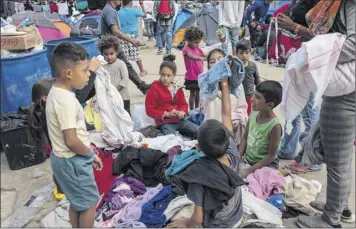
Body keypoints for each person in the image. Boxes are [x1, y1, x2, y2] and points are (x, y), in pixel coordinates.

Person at [296, 0, 356, 227]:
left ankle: (331, 220)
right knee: (341, 155)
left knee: (337, 158)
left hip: (346, 91)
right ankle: (341, 208)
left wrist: (318, 55)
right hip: (345, 87)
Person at [167, 78, 244, 228]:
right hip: (237, 215)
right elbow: (226, 113)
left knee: (172, 219)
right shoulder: (232, 150)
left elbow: (197, 219)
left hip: (219, 224)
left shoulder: (199, 175)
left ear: (198, 148)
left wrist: (186, 223)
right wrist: (224, 83)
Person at [46, 42, 103, 228]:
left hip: (63, 159)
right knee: (89, 203)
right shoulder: (66, 100)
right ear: (68, 73)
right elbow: (71, 140)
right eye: (86, 70)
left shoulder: (56, 92)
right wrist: (90, 154)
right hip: (73, 161)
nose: (89, 74)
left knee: (77, 202)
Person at [101, 0, 150, 95]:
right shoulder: (109, 11)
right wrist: (132, 40)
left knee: (125, 66)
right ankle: (141, 86)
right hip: (110, 47)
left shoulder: (112, 10)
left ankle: (142, 86)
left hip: (113, 45)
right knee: (123, 66)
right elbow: (115, 30)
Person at [202, 48, 248, 147]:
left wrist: (234, 118)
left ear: (228, 63)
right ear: (209, 67)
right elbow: (205, 113)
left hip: (231, 134)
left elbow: (242, 109)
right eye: (212, 62)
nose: (217, 63)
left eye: (220, 59)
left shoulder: (237, 86)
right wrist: (217, 93)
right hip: (211, 136)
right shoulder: (206, 87)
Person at [145, 54, 199, 138]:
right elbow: (149, 109)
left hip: (179, 120)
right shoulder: (154, 88)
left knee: (199, 131)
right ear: (159, 73)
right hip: (165, 122)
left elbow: (183, 104)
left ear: (174, 75)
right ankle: (153, 132)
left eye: (168, 75)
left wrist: (182, 112)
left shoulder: (177, 87)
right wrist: (166, 114)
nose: (165, 78)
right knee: (170, 139)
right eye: (163, 75)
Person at [239, 80, 282, 178]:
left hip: (266, 164)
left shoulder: (275, 126)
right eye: (254, 95)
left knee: (262, 181)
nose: (252, 99)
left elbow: (271, 156)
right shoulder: (254, 113)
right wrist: (238, 156)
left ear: (270, 105)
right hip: (248, 160)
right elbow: (245, 138)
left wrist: (249, 170)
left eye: (258, 97)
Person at [98, 35, 131, 115]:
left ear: (116, 52)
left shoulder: (121, 64)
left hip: (123, 97)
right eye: (106, 54)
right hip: (110, 99)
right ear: (102, 54)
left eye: (111, 54)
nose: (109, 57)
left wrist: (114, 91)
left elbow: (125, 79)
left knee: (125, 116)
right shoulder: (102, 67)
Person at [118, 0, 148, 77]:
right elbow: (145, 14)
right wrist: (142, 4)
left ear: (122, 3)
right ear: (130, 3)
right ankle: (142, 71)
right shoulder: (134, 11)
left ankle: (125, 74)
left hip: (122, 37)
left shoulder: (118, 12)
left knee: (125, 57)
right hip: (133, 37)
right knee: (136, 55)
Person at [235, 40, 260, 115]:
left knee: (248, 114)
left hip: (249, 95)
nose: (244, 55)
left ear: (250, 53)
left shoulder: (253, 66)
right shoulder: (234, 66)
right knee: (238, 113)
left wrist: (260, 91)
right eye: (241, 53)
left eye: (246, 53)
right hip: (237, 96)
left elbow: (257, 80)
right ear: (236, 54)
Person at [182, 26, 205, 111]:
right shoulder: (186, 49)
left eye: (198, 42)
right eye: (196, 42)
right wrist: (200, 58)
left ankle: (197, 108)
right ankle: (191, 110)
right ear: (189, 41)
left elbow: (204, 54)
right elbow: (191, 57)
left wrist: (212, 55)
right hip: (191, 77)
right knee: (192, 94)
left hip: (199, 76)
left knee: (198, 93)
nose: (197, 44)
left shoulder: (197, 48)